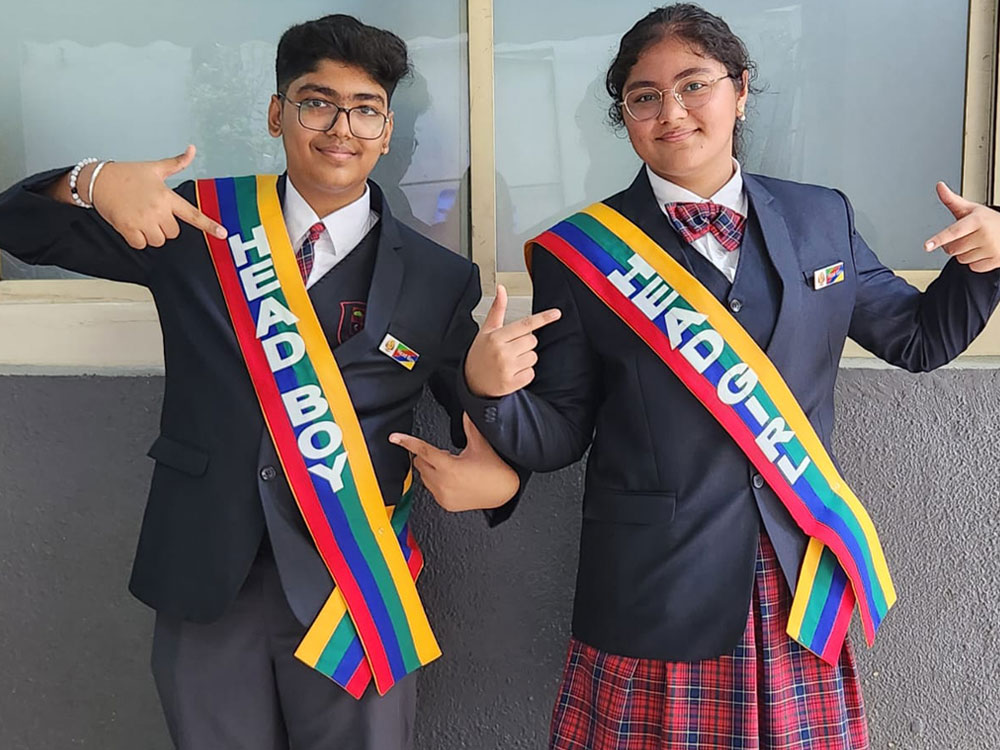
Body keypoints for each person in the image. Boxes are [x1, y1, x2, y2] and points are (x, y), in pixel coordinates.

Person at [394, 4, 1000, 749]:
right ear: (624, 116)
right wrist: (492, 390)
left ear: (740, 90)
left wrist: (987, 257)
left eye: (693, 85)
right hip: (657, 585)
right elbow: (561, 434)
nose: (672, 112)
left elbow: (917, 339)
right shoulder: (577, 254)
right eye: (644, 96)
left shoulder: (821, 217)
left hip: (795, 577)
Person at [0, 14, 522, 750]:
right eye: (317, 103)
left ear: (385, 130)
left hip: (353, 589)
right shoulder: (198, 226)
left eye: (365, 109)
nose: (340, 127)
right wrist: (91, 180)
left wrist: (503, 476)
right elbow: (19, 227)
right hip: (207, 574)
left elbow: (480, 409)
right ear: (278, 114)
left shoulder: (438, 278)